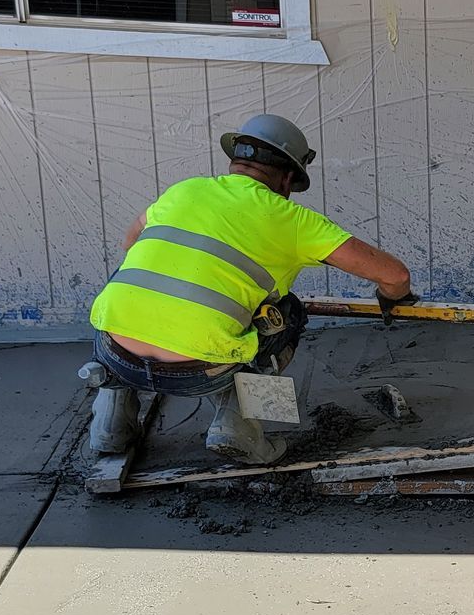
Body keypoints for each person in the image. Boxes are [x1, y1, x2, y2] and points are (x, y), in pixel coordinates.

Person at [84, 114, 413, 464]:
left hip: (115, 355)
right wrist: (392, 299)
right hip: (199, 371)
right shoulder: (293, 220)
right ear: (288, 179)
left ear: (235, 161)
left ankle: (110, 423)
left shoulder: (184, 190)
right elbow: (395, 275)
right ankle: (239, 424)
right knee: (289, 314)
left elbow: (130, 242)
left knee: (125, 287)